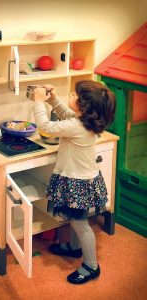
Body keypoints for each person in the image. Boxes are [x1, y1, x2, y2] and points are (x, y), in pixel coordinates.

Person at [33, 80, 116, 284]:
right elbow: (67, 115)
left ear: (84, 107)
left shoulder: (76, 126)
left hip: (77, 182)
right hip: (83, 181)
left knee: (81, 224)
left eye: (74, 95)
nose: (70, 94)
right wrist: (53, 100)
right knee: (76, 219)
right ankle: (74, 247)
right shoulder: (86, 122)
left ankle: (91, 266)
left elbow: (45, 126)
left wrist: (38, 102)